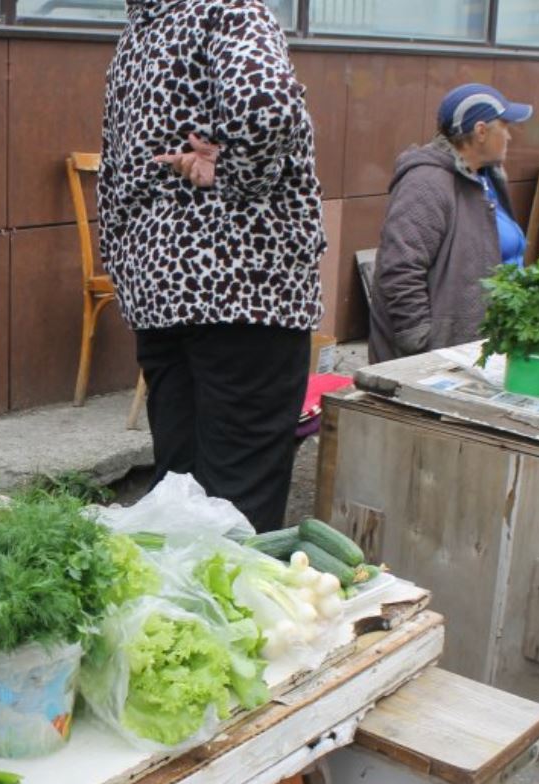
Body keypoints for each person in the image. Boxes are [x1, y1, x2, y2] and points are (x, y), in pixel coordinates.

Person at [98, 0, 325, 533]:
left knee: (181, 496)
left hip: (162, 293)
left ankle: (181, 613)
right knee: (236, 507)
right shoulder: (226, 9)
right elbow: (266, 104)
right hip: (245, 292)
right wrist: (241, 176)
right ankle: (226, 610)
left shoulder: (149, 24)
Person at [369, 83, 532, 363]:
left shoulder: (486, 178)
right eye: (504, 126)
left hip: (476, 347)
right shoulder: (426, 183)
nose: (509, 136)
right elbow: (400, 268)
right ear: (481, 131)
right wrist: (418, 338)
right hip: (435, 358)